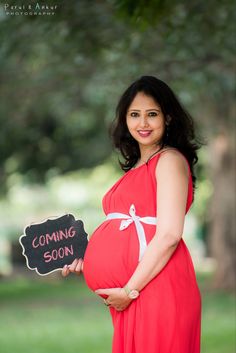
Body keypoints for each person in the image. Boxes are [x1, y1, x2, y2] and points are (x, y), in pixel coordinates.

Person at [62, 76, 202, 353]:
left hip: (157, 288)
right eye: (134, 115)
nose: (143, 123)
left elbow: (170, 234)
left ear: (169, 118)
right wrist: (89, 263)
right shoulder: (138, 167)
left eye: (152, 114)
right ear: (125, 120)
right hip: (134, 293)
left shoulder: (169, 160)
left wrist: (129, 290)